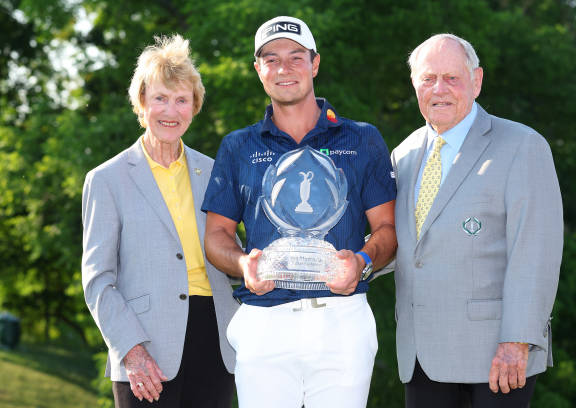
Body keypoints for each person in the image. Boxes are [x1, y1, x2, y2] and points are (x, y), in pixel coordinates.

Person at [201, 16, 397, 408]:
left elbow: (387, 230)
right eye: (271, 59)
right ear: (259, 70)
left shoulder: (363, 138)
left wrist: (360, 262)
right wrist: (243, 266)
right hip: (265, 323)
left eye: (296, 57)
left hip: (342, 321)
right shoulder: (238, 146)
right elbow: (216, 237)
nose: (284, 68)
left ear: (315, 63)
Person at [390, 33, 564, 407]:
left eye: (452, 77)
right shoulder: (402, 155)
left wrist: (516, 341)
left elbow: (535, 253)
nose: (439, 88)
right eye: (428, 78)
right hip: (422, 357)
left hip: (496, 359)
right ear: (414, 84)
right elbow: (400, 245)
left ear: (477, 80)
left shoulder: (522, 146)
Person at [81, 34, 238, 407]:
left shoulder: (214, 172)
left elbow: (231, 251)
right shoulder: (106, 179)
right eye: (161, 98)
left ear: (194, 106)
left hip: (218, 339)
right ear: (141, 103)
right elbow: (98, 279)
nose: (172, 110)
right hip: (145, 345)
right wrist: (131, 350)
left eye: (182, 100)